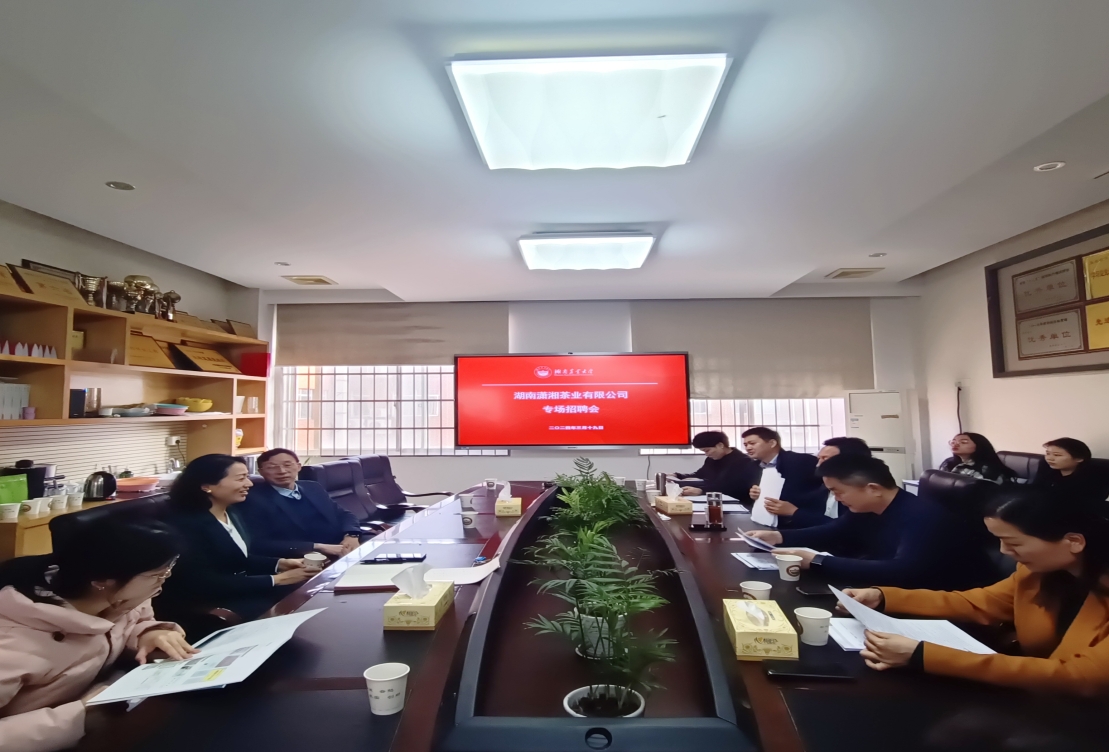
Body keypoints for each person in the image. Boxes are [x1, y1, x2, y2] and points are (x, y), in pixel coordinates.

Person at [842, 489, 1109, 696]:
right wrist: (883, 596)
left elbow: (1080, 677)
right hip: (1041, 696)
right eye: (1000, 541)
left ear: (1074, 541)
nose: (1004, 551)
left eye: (1014, 543)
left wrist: (925, 655)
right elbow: (977, 603)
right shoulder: (1039, 573)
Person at [0, 519, 195, 752]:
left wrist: (149, 632)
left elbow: (132, 622)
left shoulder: (120, 598)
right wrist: (78, 716)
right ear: (103, 581)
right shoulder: (13, 643)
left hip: (109, 714)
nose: (161, 584)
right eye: (158, 575)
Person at [747, 454, 996, 590]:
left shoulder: (923, 516)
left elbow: (903, 571)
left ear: (873, 488)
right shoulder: (866, 508)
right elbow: (834, 531)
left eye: (838, 491)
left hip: (941, 603)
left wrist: (817, 561)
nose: (836, 498)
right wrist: (779, 537)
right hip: (884, 590)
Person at [159, 454, 312, 623]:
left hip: (240, 589)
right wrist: (277, 579)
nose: (249, 484)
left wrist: (281, 563)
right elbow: (201, 582)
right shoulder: (185, 525)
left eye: (247, 477)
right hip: (211, 601)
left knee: (309, 593)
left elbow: (235, 558)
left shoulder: (231, 511)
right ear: (207, 486)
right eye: (240, 479)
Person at [240, 448, 362, 559]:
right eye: (272, 467)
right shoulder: (253, 499)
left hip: (343, 544)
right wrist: (318, 547)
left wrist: (351, 535)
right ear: (261, 472)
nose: (282, 471)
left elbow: (343, 514)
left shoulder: (312, 487)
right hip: (306, 556)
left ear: (298, 467)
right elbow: (259, 543)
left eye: (287, 465)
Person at [741, 427, 827, 527]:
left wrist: (795, 510)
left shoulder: (801, 461)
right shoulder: (753, 466)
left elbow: (824, 489)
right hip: (765, 520)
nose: (748, 448)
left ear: (772, 443)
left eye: (752, 443)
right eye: (745, 445)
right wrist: (755, 494)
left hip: (800, 522)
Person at [673, 431, 759, 501]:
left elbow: (733, 488)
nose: (706, 454)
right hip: (713, 498)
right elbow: (700, 474)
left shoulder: (742, 461)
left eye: (707, 450)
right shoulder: (711, 459)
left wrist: (701, 491)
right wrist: (677, 476)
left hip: (736, 502)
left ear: (720, 445)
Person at [806, 436, 872, 525]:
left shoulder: (862, 492)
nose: (818, 465)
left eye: (825, 459)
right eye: (819, 459)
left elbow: (847, 527)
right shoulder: (824, 486)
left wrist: (795, 513)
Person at [1032, 438, 1109, 504]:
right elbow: (1036, 489)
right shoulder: (1047, 468)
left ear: (1079, 458)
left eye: (1057, 455)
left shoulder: (1091, 478)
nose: (1049, 458)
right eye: (1048, 453)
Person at [938, 432, 1013, 485]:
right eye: (953, 442)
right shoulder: (948, 463)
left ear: (979, 446)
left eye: (963, 442)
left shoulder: (988, 470)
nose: (956, 444)